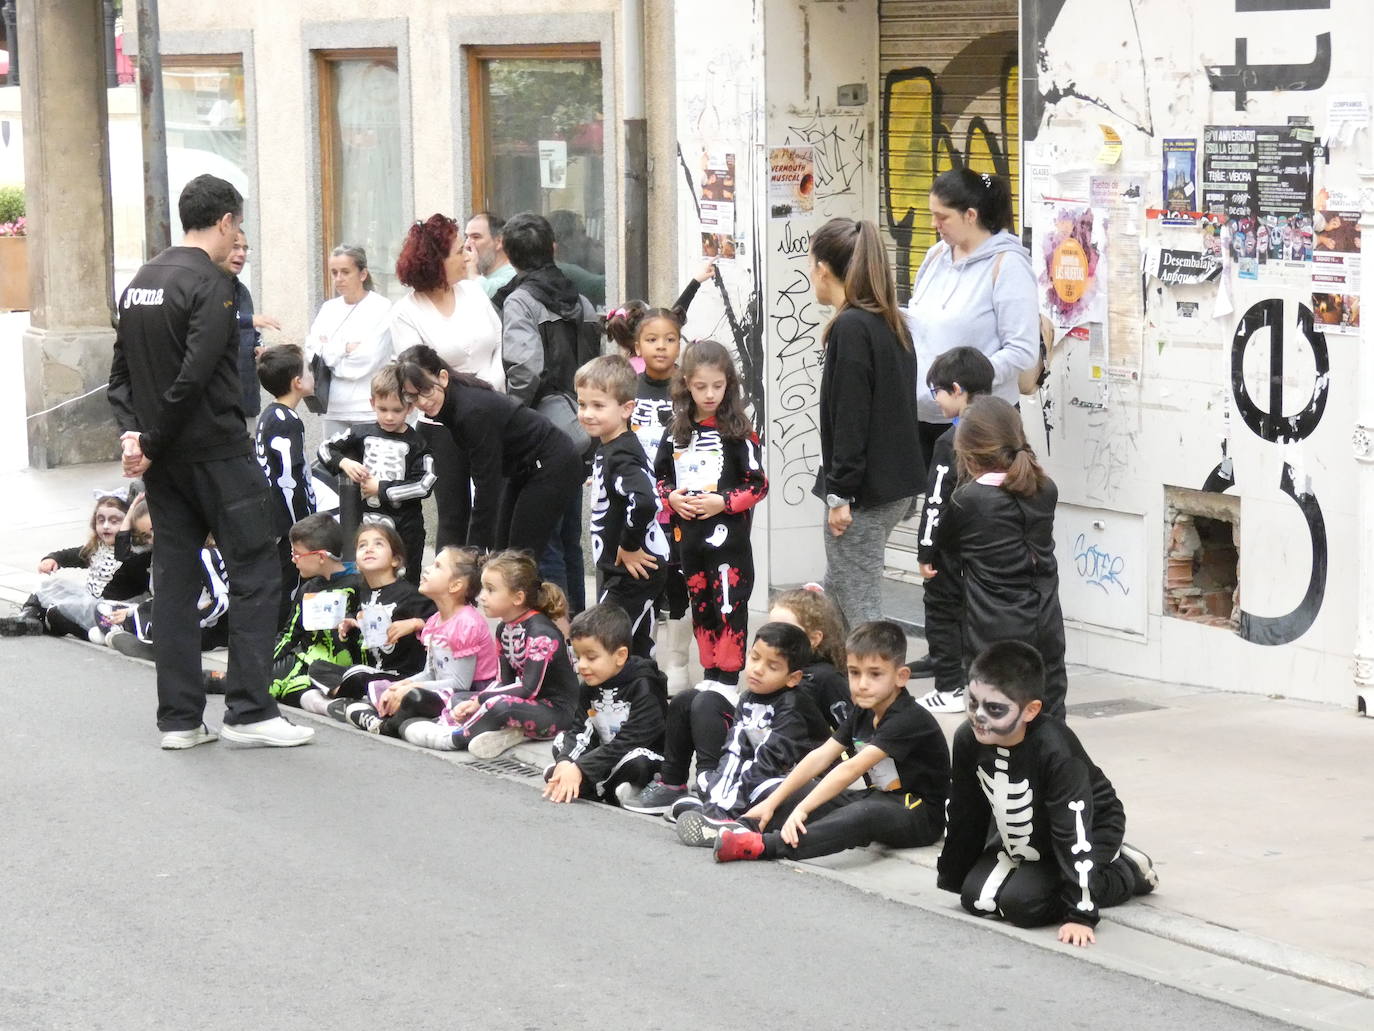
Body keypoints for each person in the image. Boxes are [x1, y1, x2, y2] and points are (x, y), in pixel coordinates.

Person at [107, 173, 312, 749]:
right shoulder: (214, 284)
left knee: (172, 581)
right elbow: (194, 376)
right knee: (257, 570)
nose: (237, 239)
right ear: (225, 222)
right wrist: (148, 439)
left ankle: (178, 720)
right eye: (238, 227)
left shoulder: (142, 281)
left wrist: (135, 437)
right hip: (216, 453)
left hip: (164, 463)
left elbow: (120, 375)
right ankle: (248, 712)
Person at [937, 641, 1158, 946]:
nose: (978, 716)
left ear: (1031, 710)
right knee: (976, 899)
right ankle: (1049, 878)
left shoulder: (1055, 749)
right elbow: (965, 809)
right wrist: (954, 873)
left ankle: (1125, 869)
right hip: (1025, 836)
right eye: (972, 702)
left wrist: (1079, 914)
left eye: (995, 708)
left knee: (1024, 906)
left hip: (1088, 829)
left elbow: (1073, 827)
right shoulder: (968, 740)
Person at [714, 621, 949, 865]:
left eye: (875, 674)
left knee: (860, 814)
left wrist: (803, 810)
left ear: (901, 677)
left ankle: (763, 846)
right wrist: (771, 804)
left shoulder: (908, 718)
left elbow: (851, 768)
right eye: (854, 673)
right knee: (795, 789)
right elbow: (821, 756)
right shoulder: (864, 710)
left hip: (918, 814)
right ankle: (742, 825)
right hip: (876, 797)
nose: (862, 684)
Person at [604, 264, 715, 689]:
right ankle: (641, 658)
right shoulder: (628, 386)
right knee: (644, 579)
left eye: (670, 340)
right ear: (637, 345)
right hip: (640, 502)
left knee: (681, 583)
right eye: (652, 340)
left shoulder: (689, 389)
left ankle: (678, 661)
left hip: (683, 501)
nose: (662, 348)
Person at [810, 217, 924, 627]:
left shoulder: (852, 326)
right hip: (892, 486)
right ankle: (837, 685)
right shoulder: (890, 322)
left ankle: (878, 687)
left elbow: (850, 416)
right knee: (837, 598)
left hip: (864, 493)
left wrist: (840, 494)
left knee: (860, 611)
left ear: (823, 268)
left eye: (812, 266)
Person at [934, 396, 1069, 719]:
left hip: (992, 633)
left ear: (967, 450)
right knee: (1048, 718)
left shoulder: (970, 500)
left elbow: (946, 553)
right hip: (1046, 622)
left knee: (996, 724)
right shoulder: (1045, 489)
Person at [495, 211, 601, 612]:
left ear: (508, 255)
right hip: (582, 426)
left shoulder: (520, 301)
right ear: (553, 248)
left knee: (547, 538)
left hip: (541, 431)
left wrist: (513, 415)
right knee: (570, 537)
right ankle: (576, 621)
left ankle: (558, 624)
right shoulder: (581, 297)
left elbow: (524, 369)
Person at [905, 169, 1039, 469]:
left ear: (970, 215)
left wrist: (967, 381)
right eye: (932, 214)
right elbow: (923, 321)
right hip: (924, 414)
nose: (934, 224)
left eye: (942, 217)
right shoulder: (936, 256)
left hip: (977, 424)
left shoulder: (1009, 265)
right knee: (931, 512)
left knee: (968, 510)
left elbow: (1022, 350)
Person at [655, 339, 767, 695]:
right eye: (701, 386)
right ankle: (710, 672)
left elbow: (759, 484)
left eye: (717, 386)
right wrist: (670, 498)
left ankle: (730, 677)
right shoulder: (674, 430)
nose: (709, 394)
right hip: (688, 540)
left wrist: (724, 502)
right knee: (700, 604)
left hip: (729, 543)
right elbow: (659, 477)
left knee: (730, 604)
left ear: (728, 384)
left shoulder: (739, 433)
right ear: (686, 382)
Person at [396, 345, 581, 559]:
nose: (422, 402)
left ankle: (542, 593)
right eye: (412, 397)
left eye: (426, 391)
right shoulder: (452, 402)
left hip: (551, 462)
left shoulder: (471, 411)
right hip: (522, 468)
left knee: (521, 559)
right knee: (504, 554)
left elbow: (487, 486)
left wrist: (472, 551)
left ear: (443, 378)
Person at [390, 214, 504, 548]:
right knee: (455, 517)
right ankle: (451, 592)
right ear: (435, 261)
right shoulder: (405, 313)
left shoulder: (473, 292)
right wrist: (475, 392)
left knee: (493, 509)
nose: (467, 255)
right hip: (444, 427)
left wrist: (491, 387)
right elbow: (419, 374)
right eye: (458, 250)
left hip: (493, 414)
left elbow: (499, 343)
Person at [404, 550, 579, 758]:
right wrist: (476, 699)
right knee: (459, 698)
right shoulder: (504, 629)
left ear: (518, 597)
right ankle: (504, 731)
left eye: (490, 590)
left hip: (558, 712)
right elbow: (502, 681)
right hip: (526, 705)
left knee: (496, 705)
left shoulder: (541, 634)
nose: (482, 596)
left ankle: (455, 738)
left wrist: (482, 700)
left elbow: (528, 689)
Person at [673, 622, 828, 845]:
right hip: (758, 773)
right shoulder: (748, 697)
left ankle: (729, 821)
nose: (757, 669)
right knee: (720, 767)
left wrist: (724, 809)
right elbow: (734, 751)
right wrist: (717, 797)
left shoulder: (793, 706)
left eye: (772, 667)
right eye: (755, 658)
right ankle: (720, 809)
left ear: (792, 678)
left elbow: (769, 760)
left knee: (767, 787)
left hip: (796, 782)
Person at [340, 544, 499, 741]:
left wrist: (410, 689)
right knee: (387, 687)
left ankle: (386, 724)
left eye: (438, 566)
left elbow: (460, 684)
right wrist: (402, 685)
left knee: (415, 698)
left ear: (455, 586)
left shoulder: (467, 623)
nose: (427, 569)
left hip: (466, 695)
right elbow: (430, 672)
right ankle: (393, 720)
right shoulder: (434, 621)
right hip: (440, 689)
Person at [911, 346, 994, 712]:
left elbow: (935, 501)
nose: (937, 401)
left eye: (938, 393)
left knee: (942, 611)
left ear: (956, 389)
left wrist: (925, 551)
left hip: (951, 549)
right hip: (991, 548)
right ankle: (980, 683)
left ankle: (948, 687)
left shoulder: (951, 441)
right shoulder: (1004, 430)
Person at [575, 355, 670, 659]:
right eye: (582, 404)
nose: (587, 413)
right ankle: (645, 700)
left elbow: (645, 501)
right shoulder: (611, 446)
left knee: (604, 641)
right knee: (637, 644)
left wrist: (628, 546)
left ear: (627, 408)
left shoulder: (622, 453)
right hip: (625, 568)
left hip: (633, 569)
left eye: (598, 406)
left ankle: (623, 700)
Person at [317, 365, 436, 584]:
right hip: (368, 522)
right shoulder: (360, 432)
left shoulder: (418, 442)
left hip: (405, 526)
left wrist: (380, 488)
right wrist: (344, 462)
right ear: (372, 403)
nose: (389, 416)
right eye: (382, 409)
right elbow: (325, 449)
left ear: (409, 408)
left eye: (397, 410)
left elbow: (425, 484)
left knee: (406, 579)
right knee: (368, 576)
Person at [542, 604, 669, 806]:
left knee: (638, 760)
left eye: (591, 657)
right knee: (561, 743)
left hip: (639, 755)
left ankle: (596, 786)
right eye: (578, 656)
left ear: (620, 656)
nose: (582, 665)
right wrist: (566, 762)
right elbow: (581, 730)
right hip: (604, 757)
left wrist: (581, 768)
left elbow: (632, 740)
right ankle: (598, 785)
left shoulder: (645, 686)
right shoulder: (588, 686)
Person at [307, 521, 436, 703]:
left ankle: (357, 699)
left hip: (404, 677)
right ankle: (360, 697)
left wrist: (416, 623)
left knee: (358, 675)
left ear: (395, 560)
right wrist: (352, 621)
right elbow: (365, 615)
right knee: (317, 668)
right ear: (357, 564)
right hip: (372, 672)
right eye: (362, 545)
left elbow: (442, 623)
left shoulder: (411, 595)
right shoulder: (364, 592)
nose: (369, 549)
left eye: (378, 544)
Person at [0, 492, 150, 640]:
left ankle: (47, 625)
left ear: (128, 524)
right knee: (46, 586)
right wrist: (53, 559)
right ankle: (25, 618)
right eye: (100, 520)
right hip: (88, 599)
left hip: (108, 609)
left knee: (57, 612)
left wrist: (131, 515)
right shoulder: (97, 548)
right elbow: (70, 555)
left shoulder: (134, 555)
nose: (105, 526)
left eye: (114, 521)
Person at [268, 513, 364, 715]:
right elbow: (290, 634)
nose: (293, 560)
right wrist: (263, 660)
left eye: (297, 554)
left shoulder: (357, 584)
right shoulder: (308, 588)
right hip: (306, 660)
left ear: (320, 556)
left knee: (277, 684)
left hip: (342, 665)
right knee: (260, 680)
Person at [254, 344, 317, 626]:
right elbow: (287, 479)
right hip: (286, 520)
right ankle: (281, 639)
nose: (313, 374)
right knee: (289, 581)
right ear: (297, 382)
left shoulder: (271, 414)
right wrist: (298, 528)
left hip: (274, 519)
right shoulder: (286, 421)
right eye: (308, 369)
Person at [307, 243, 394, 440]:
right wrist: (345, 348)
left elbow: (367, 359)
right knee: (335, 466)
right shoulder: (328, 309)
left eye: (345, 272)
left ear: (362, 274)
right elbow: (311, 352)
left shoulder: (381, 308)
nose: (339, 278)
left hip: (367, 407)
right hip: (332, 406)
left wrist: (329, 349)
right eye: (334, 272)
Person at [768, 585, 851, 731]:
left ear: (813, 639)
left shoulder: (826, 678)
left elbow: (853, 733)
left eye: (784, 630)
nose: (773, 637)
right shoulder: (766, 668)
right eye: (770, 628)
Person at [221, 229, 281, 420]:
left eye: (245, 249)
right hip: (219, 402)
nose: (241, 254)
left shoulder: (243, 291)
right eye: (235, 247)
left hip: (246, 397)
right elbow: (214, 320)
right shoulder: (207, 287)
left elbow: (252, 333)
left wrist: (259, 347)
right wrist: (249, 320)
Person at [465, 211, 515, 299]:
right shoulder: (481, 276)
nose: (467, 245)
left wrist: (472, 271)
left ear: (499, 242)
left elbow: (484, 298)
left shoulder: (513, 277)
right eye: (467, 237)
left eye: (476, 237)